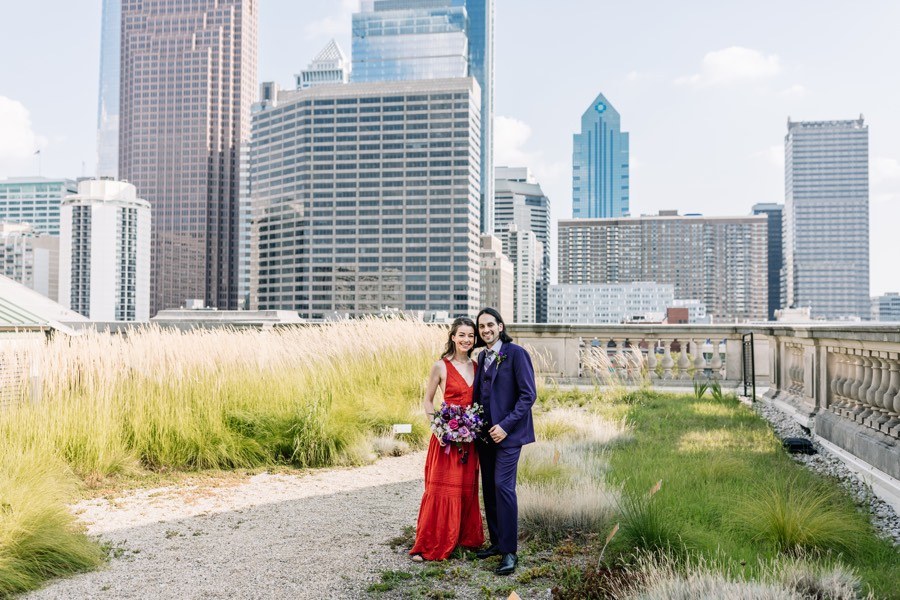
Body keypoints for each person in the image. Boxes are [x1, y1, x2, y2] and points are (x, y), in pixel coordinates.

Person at [409, 317, 485, 561]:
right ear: (453, 337)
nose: (466, 340)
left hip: (469, 440)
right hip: (446, 441)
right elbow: (428, 401)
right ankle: (430, 543)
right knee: (441, 491)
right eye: (462, 335)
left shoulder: (477, 366)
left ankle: (464, 538)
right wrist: (438, 428)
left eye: (471, 336)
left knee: (465, 491)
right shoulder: (440, 366)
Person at [472, 307, 537, 576]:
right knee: (489, 488)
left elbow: (528, 395)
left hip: (508, 436)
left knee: (503, 487)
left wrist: (506, 426)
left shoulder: (516, 354)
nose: (485, 330)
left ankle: (510, 552)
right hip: (484, 436)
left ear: (500, 326)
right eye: (481, 327)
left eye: (490, 325)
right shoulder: (481, 356)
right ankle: (497, 543)